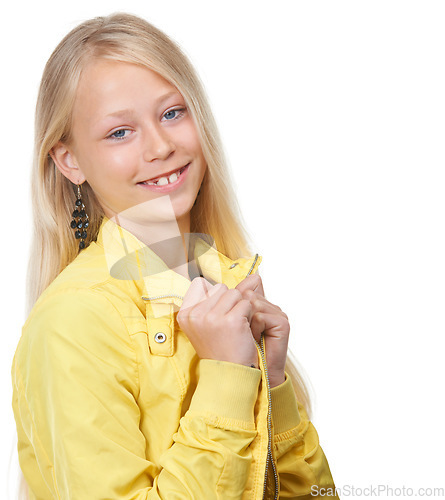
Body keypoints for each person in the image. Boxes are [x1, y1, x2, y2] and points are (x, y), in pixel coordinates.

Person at [11, 12, 340, 499]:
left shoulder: (227, 283)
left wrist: (269, 384)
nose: (162, 146)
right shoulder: (72, 322)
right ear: (69, 160)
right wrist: (226, 381)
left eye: (172, 113)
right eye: (120, 132)